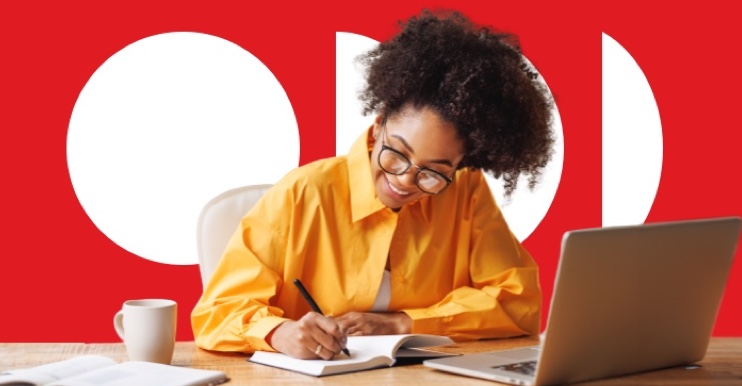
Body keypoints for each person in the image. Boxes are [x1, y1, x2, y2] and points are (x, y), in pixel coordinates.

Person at [191, 9, 554, 360]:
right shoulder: (303, 192)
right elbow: (216, 313)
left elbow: (517, 303)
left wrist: (403, 323)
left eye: (434, 172)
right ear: (379, 123)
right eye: (396, 153)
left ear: (462, 164)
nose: (404, 180)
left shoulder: (466, 191)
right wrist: (277, 333)